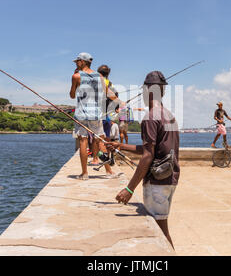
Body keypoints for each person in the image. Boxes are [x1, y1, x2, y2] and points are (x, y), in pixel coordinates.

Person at [106, 71, 180, 249]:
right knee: (162, 229)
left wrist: (129, 189)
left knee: (161, 233)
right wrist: (120, 146)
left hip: (157, 183)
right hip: (170, 178)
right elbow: (152, 150)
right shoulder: (169, 116)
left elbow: (147, 156)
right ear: (162, 91)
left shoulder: (150, 118)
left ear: (147, 91)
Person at [69, 52, 117, 180]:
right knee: (101, 141)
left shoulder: (76, 76)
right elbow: (110, 94)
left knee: (83, 141)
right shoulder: (100, 76)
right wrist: (118, 103)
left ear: (83, 62)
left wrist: (75, 79)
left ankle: (84, 174)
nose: (76, 64)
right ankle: (109, 171)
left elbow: (72, 95)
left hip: (82, 114)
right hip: (96, 113)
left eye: (77, 61)